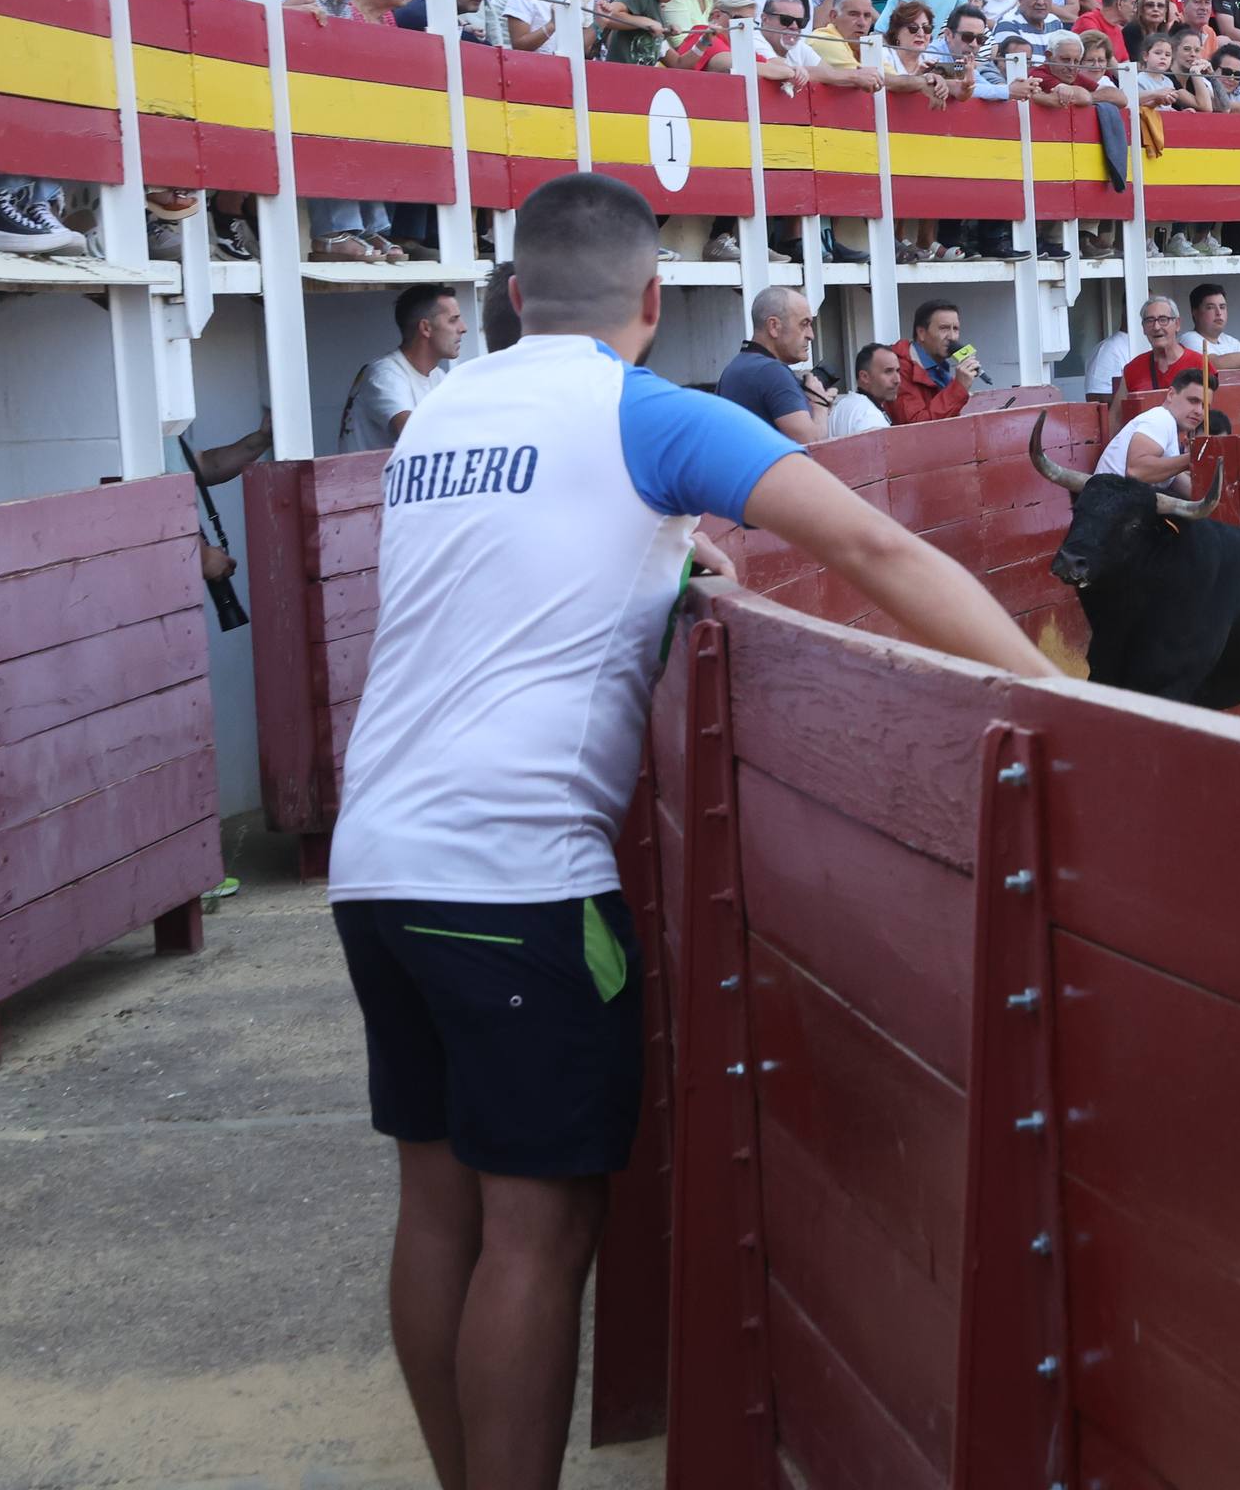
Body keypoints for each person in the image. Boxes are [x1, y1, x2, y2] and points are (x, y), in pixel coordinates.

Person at [327, 173, 1051, 1490]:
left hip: (376, 861)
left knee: (434, 1211)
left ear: (504, 296)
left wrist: (662, 566)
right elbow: (877, 554)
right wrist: (1062, 707)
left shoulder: (437, 415)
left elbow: (528, 570)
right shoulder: (645, 413)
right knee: (536, 1231)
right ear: (652, 301)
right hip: (519, 885)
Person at [335, 285, 465, 452]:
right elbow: (413, 434)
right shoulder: (385, 374)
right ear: (426, 328)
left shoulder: (438, 376)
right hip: (370, 478)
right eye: (453, 320)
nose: (463, 328)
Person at [715, 286, 820, 443]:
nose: (811, 335)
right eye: (803, 324)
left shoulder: (733, 369)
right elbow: (813, 444)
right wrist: (820, 405)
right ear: (773, 326)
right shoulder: (772, 372)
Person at [1092, 364, 1207, 488]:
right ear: (1171, 395)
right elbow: (1136, 471)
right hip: (1110, 501)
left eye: (1205, 406)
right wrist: (1195, 456)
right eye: (1193, 401)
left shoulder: (1168, 426)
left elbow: (1174, 477)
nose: (1199, 411)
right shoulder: (1161, 418)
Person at [892, 298, 979, 422]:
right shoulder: (899, 368)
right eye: (944, 328)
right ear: (921, 333)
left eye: (955, 329)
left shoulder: (940, 366)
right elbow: (917, 426)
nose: (952, 337)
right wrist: (958, 388)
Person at [1117, 294, 1205, 394]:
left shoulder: (1199, 364)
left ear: (1177, 324)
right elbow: (1117, 409)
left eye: (1163, 320)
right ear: (1143, 328)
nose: (1156, 327)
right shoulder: (1133, 369)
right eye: (1150, 321)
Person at [829, 343, 899, 438]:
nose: (897, 380)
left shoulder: (842, 406)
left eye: (897, 371)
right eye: (888, 371)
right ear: (864, 377)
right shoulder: (870, 416)